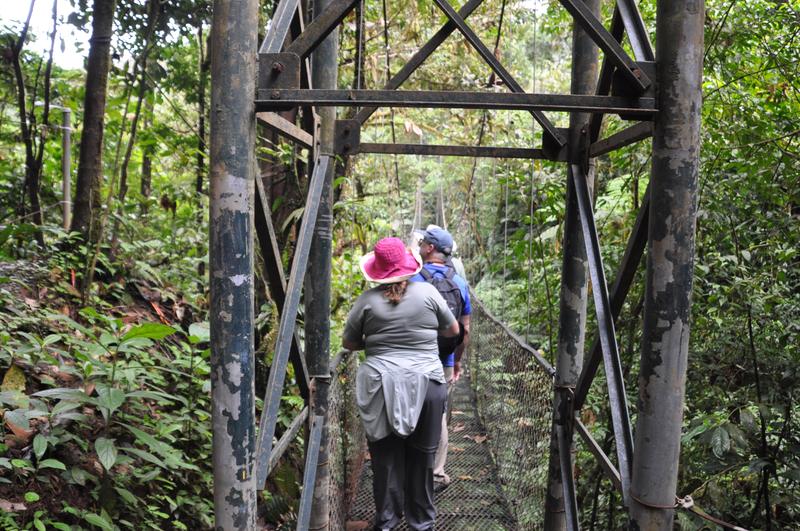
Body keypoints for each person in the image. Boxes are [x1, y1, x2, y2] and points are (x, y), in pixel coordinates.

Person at [343, 237, 460, 531]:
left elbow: (349, 342)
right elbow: (453, 329)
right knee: (423, 458)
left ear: (378, 271)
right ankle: (422, 524)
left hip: (380, 387)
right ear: (408, 267)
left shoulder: (367, 301)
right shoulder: (429, 293)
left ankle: (386, 523)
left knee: (385, 460)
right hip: (429, 385)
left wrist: (378, 340)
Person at [410, 226, 471, 492]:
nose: (420, 245)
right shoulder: (460, 283)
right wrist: (456, 361)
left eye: (423, 242)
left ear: (430, 249)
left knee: (410, 410)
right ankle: (435, 473)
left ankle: (410, 469)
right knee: (439, 414)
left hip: (413, 360)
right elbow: (465, 330)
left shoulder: (411, 280)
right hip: (443, 361)